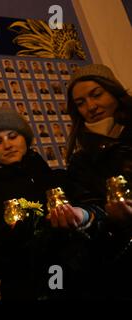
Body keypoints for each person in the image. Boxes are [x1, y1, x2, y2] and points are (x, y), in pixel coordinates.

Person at [0, 108, 102, 300]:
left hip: (79, 282)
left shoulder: (59, 179)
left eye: (12, 136)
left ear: (25, 138)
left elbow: (96, 218)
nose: (7, 145)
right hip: (25, 288)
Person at [65, 64, 132, 298]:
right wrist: (85, 216)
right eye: (81, 103)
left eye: (96, 94)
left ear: (114, 91)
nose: (91, 107)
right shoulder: (81, 159)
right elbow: (90, 206)